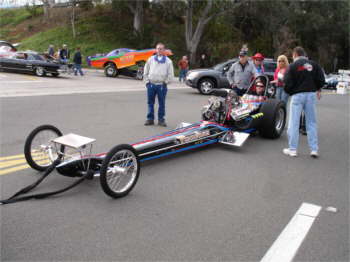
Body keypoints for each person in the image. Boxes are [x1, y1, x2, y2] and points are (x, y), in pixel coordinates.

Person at [283, 46, 325, 158]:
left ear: (295, 54)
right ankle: (314, 149)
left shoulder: (292, 66)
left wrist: (292, 91)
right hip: (311, 95)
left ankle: (293, 150)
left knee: (294, 123)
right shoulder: (314, 64)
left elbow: (286, 82)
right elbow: (321, 80)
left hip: (297, 96)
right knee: (311, 122)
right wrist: (315, 88)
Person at [143, 43, 174, 127]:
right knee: (150, 103)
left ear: (164, 50)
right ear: (156, 50)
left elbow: (171, 75)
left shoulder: (168, 61)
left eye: (161, 49)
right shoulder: (151, 59)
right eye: (158, 48)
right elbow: (145, 70)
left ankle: (161, 120)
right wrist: (147, 82)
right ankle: (150, 119)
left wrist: (165, 82)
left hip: (161, 86)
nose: (159, 50)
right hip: (151, 85)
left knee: (162, 103)